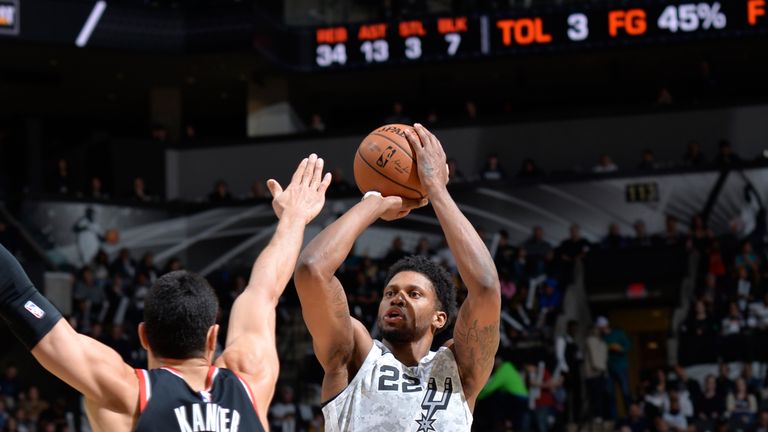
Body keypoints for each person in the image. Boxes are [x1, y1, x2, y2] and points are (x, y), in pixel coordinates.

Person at [0, 155, 331, 431]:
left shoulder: (128, 393)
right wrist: (294, 218)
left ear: (143, 336)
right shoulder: (250, 382)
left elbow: (20, 300)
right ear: (213, 337)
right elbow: (265, 290)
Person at [294, 123, 501, 430]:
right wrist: (375, 203)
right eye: (390, 292)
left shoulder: (459, 369)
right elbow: (312, 269)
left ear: (439, 318)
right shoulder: (356, 357)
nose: (397, 297)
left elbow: (485, 287)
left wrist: (436, 190)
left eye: (414, 293)